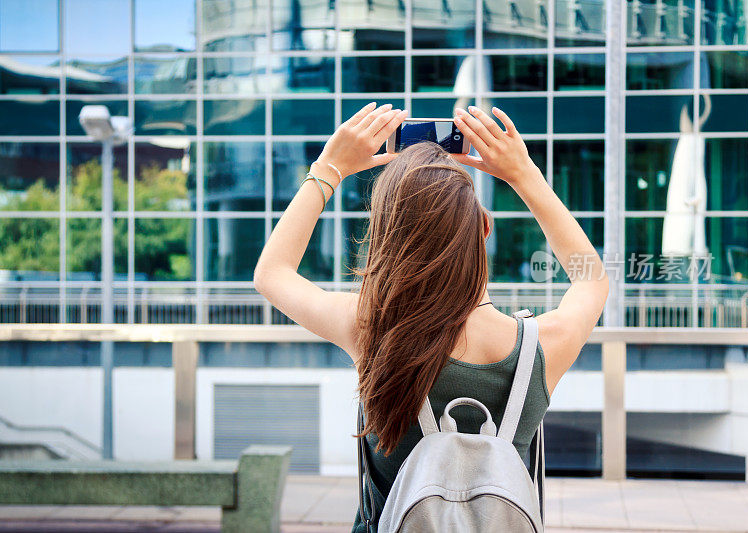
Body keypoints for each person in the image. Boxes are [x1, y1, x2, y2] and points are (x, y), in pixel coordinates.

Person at [253, 102, 609, 531]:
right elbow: (591, 280)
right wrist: (523, 174)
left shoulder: (372, 330)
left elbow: (272, 274)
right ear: (485, 229)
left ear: (385, 236)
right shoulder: (539, 347)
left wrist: (328, 169)